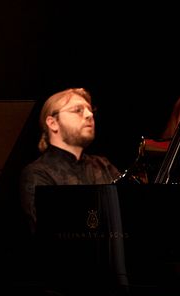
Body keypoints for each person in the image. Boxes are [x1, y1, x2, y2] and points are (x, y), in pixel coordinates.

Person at [19, 87, 120, 234]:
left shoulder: (103, 165)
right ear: (53, 123)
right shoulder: (37, 173)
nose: (89, 114)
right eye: (78, 110)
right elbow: (54, 231)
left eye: (90, 110)